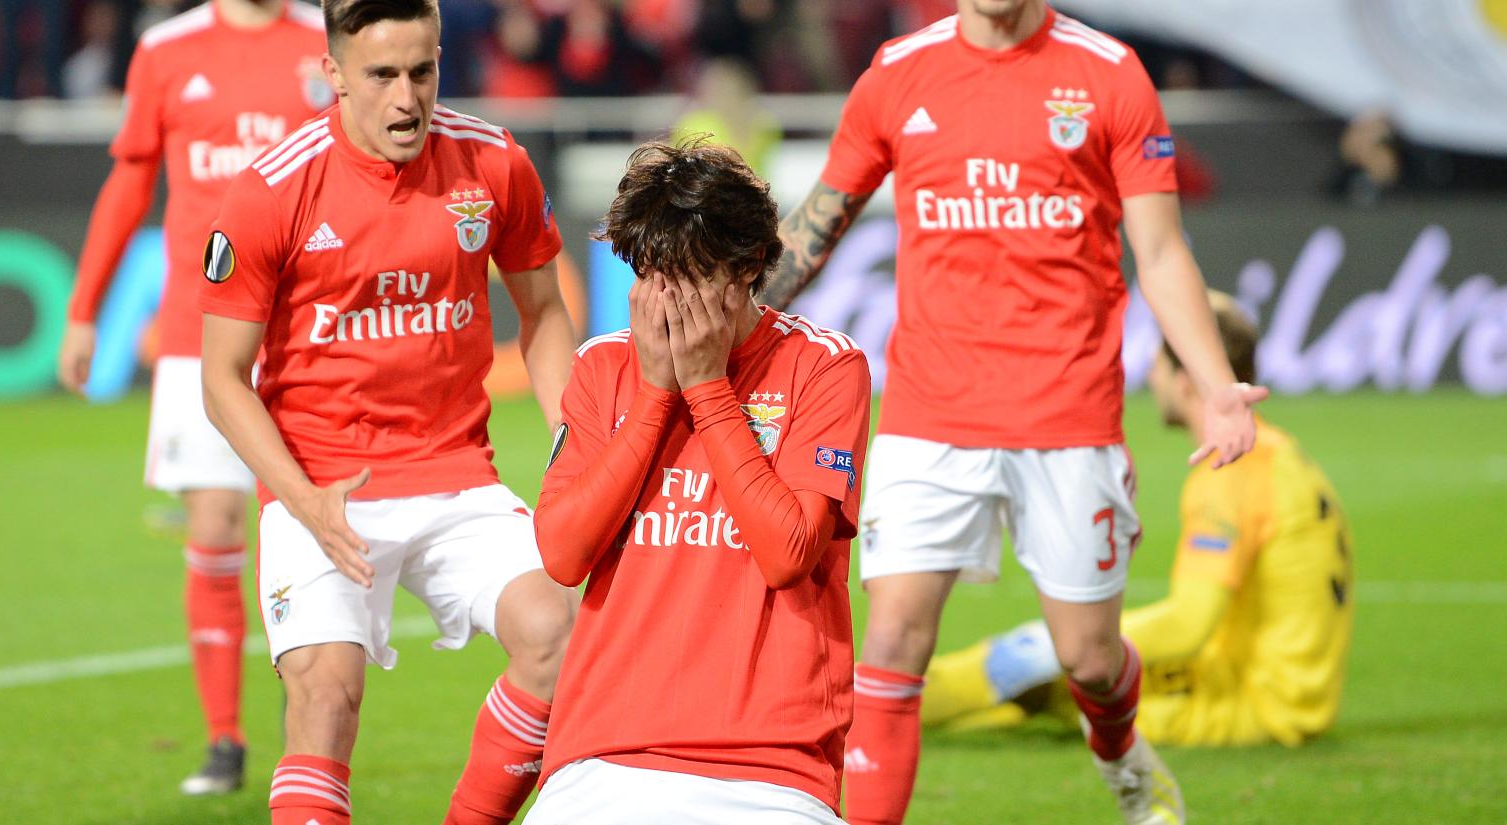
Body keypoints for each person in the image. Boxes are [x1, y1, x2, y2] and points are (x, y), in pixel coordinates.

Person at [755, 2, 1271, 823]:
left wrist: (1213, 382)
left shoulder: (1107, 73)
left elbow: (1163, 250)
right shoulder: (898, 72)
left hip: (1066, 415)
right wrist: (731, 321)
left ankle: (1125, 757)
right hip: (929, 411)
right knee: (889, 644)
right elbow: (816, 226)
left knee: (1090, 659)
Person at [198, 0, 580, 820]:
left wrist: (569, 438)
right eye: (381, 76)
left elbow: (544, 313)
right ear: (332, 74)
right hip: (321, 483)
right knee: (325, 700)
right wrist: (304, 503)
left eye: (423, 71)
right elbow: (222, 379)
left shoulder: (494, 163)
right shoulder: (274, 189)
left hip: (454, 474)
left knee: (560, 637)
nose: (407, 99)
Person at [529, 140, 870, 824]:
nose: (662, 300)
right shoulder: (603, 368)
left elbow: (787, 553)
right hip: (603, 755)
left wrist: (709, 389)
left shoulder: (824, 368)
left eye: (684, 276)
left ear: (746, 269)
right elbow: (562, 554)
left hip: (770, 768)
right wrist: (657, 396)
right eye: (648, 274)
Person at [55, 0, 330, 795]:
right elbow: (130, 184)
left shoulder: (329, 37)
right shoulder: (166, 49)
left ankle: (309, 730)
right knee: (213, 523)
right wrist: (83, 312)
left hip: (312, 328)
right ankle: (224, 737)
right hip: (198, 330)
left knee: (311, 529)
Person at [921, 292, 1354, 749]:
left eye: (1160, 363)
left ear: (1187, 378)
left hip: (1251, 703)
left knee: (1043, 668)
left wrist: (1061, 645)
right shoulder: (1274, 450)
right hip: (1290, 690)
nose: (1150, 375)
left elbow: (1189, 625)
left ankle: (877, 704)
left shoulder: (1231, 471)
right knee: (1052, 674)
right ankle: (889, 703)